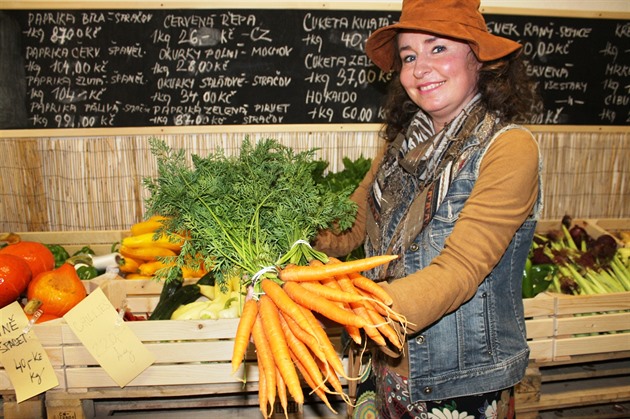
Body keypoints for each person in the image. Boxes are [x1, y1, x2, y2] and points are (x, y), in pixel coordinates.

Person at [314, 0, 543, 417]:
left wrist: (362, 307)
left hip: (457, 381)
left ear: (480, 60)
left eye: (438, 48)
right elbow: (353, 224)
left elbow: (460, 270)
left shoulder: (508, 148)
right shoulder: (400, 145)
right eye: (408, 57)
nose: (420, 68)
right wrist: (294, 235)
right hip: (381, 363)